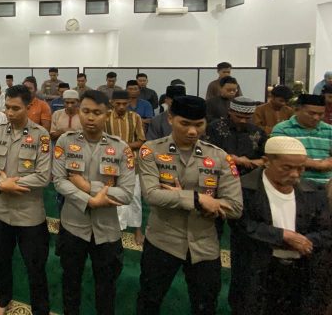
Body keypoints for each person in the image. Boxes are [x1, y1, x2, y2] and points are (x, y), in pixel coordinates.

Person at [136, 95, 243, 315]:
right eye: (185, 123)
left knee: (205, 306)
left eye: (199, 124)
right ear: (170, 119)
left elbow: (234, 207)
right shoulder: (151, 150)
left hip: (204, 245)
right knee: (149, 302)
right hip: (162, 241)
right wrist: (200, 199)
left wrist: (181, 197)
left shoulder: (219, 157)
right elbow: (152, 195)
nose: (193, 131)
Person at [53, 90, 136, 315]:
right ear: (79, 111)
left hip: (107, 230)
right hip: (73, 226)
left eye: (97, 113)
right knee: (70, 282)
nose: (90, 117)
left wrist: (89, 187)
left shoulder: (121, 148)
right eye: (86, 111)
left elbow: (127, 193)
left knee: (106, 287)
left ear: (107, 114)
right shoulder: (65, 141)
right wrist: (90, 201)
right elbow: (59, 181)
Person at [229, 136, 332, 315]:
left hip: (300, 275)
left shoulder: (314, 192)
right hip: (257, 272)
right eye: (287, 168)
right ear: (266, 161)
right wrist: (282, 236)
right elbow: (241, 225)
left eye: (301, 168)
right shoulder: (243, 188)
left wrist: (304, 241)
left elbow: (326, 231)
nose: (295, 174)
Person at [0, 84, 52, 315]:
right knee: (1, 261)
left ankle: (40, 310)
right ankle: (2, 301)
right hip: (1, 212)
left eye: (16, 108)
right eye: (7, 108)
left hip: (29, 215)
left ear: (28, 107)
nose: (10, 113)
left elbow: (43, 176)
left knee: (35, 267)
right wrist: (0, 184)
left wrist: (13, 183)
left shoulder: (41, 135)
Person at [106, 89, 146, 245]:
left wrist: (123, 147)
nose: (121, 107)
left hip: (131, 163)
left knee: (134, 197)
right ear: (112, 103)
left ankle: (137, 229)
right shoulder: (105, 117)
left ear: (129, 103)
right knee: (114, 196)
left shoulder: (135, 117)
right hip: (110, 163)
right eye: (118, 104)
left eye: (124, 104)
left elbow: (141, 141)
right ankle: (118, 229)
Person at [271, 94, 332, 186]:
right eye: (311, 113)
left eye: (320, 114)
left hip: (327, 184)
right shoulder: (282, 129)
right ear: (297, 110)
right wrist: (318, 164)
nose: (316, 118)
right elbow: (282, 157)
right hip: (296, 184)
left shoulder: (329, 130)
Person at [206, 96, 267, 177]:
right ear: (230, 111)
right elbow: (208, 152)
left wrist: (250, 162)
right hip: (221, 174)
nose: (243, 121)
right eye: (239, 117)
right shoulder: (215, 127)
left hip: (250, 177)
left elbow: (268, 159)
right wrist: (233, 159)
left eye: (247, 118)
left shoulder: (258, 132)